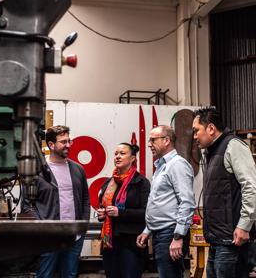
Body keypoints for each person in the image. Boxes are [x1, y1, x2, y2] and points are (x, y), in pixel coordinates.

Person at [192, 107, 256, 278]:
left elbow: (251, 187)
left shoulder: (233, 146)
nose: (194, 136)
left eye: (196, 130)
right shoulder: (212, 152)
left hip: (232, 241)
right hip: (217, 241)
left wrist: (244, 225)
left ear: (211, 129)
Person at [22, 125, 90, 278]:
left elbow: (85, 198)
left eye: (69, 141)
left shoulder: (78, 169)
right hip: (48, 238)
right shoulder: (37, 170)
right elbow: (27, 204)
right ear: (51, 145)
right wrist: (42, 227)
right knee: (45, 275)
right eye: (63, 142)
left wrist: (83, 225)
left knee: (70, 275)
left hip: (74, 237)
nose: (68, 145)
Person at [136, 125, 195, 278]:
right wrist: (147, 230)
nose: (149, 144)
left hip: (170, 234)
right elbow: (161, 202)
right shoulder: (163, 166)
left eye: (153, 140)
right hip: (160, 234)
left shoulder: (177, 165)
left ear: (166, 140)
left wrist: (178, 237)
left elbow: (187, 203)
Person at [96, 143, 150, 278]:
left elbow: (146, 213)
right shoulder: (109, 183)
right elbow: (102, 207)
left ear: (132, 158)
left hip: (131, 243)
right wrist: (102, 214)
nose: (118, 157)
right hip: (110, 242)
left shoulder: (141, 182)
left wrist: (120, 213)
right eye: (116, 154)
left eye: (122, 153)